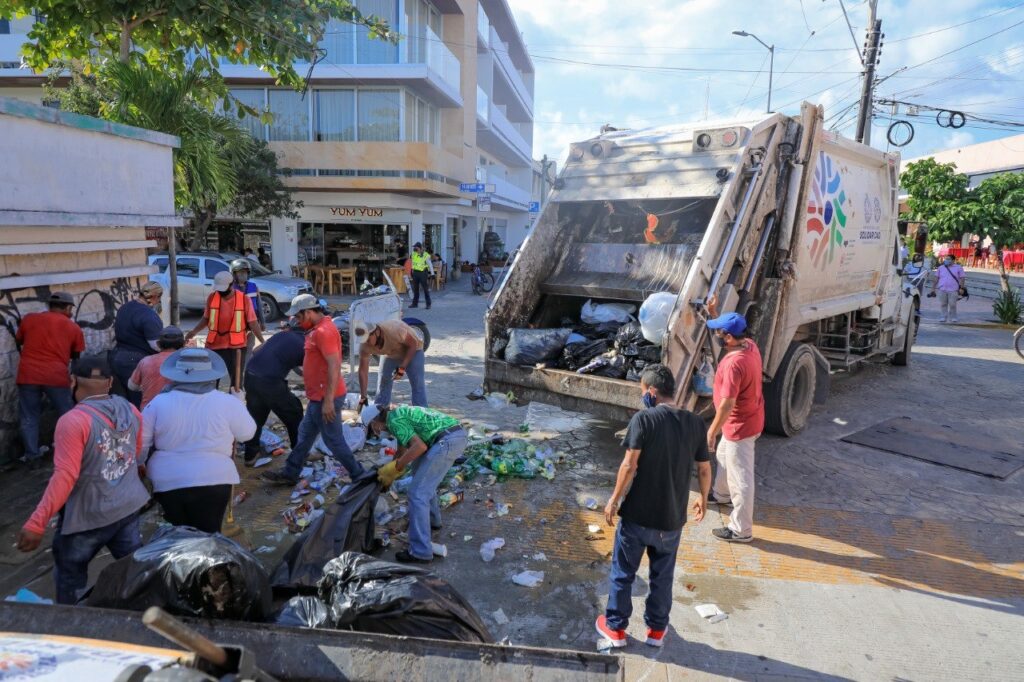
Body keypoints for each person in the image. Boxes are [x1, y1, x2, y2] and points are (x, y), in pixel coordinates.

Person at [16, 355, 149, 605]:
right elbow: (137, 452)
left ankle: (72, 620)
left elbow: (65, 476)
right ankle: (144, 614)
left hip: (87, 517)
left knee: (70, 578)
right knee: (136, 572)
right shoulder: (130, 410)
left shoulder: (73, 421)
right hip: (128, 507)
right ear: (110, 382)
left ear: (72, 381)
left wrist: (36, 523)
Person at [594, 364, 710, 648]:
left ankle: (615, 629)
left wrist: (613, 499)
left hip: (637, 517)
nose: (642, 395)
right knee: (662, 577)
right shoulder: (695, 423)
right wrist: (704, 497)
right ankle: (656, 631)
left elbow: (629, 465)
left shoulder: (644, 419)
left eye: (643, 391)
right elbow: (704, 468)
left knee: (623, 573)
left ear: (652, 392)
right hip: (671, 520)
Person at [141, 348, 257, 533]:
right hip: (215, 478)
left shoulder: (158, 402)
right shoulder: (227, 402)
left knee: (179, 535)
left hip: (168, 479)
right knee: (208, 535)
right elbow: (247, 434)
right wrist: (239, 403)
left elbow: (141, 443)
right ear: (210, 375)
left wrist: (140, 467)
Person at [262, 295, 365, 485]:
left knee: (333, 440)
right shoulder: (318, 329)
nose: (297, 321)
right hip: (319, 397)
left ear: (308, 312)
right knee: (305, 434)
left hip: (325, 397)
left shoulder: (323, 332)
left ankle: (359, 475)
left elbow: (334, 365)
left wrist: (328, 401)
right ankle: (290, 472)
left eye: (299, 317)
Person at [367, 404, 466, 564]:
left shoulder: (393, 421)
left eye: (372, 428)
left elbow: (419, 447)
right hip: (453, 435)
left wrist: (396, 468)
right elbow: (402, 451)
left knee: (417, 494)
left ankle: (421, 551)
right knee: (421, 478)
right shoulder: (396, 415)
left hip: (445, 441)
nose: (375, 432)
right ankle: (433, 521)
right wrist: (391, 474)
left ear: (375, 422)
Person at [704, 299, 764, 543]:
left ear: (728, 338)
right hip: (748, 418)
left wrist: (712, 430)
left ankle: (741, 530)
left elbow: (727, 404)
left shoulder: (734, 364)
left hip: (740, 426)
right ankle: (721, 495)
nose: (717, 335)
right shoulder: (750, 345)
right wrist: (713, 313)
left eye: (719, 332)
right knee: (723, 456)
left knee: (741, 479)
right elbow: (726, 331)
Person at [15, 292, 85, 464]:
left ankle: (32, 457)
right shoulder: (73, 328)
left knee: (29, 416)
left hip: (28, 375)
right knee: (68, 415)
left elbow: (20, 340)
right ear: (67, 307)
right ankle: (72, 451)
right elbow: (76, 356)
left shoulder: (29, 319)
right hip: (56, 376)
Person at [241, 318, 306, 466]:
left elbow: (256, 351)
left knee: (256, 417)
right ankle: (298, 455)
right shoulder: (305, 343)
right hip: (269, 381)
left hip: (250, 374)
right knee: (294, 412)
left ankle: (250, 455)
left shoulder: (281, 335)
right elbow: (309, 370)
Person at [185, 270, 264, 389]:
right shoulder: (212, 297)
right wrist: (193, 332)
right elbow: (206, 318)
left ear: (232, 285)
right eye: (219, 290)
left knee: (236, 382)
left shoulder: (244, 299)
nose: (221, 293)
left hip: (236, 347)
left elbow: (253, 322)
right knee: (210, 381)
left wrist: (262, 342)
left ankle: (235, 398)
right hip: (214, 344)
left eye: (224, 290)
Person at [111, 281, 164, 407]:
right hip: (136, 362)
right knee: (140, 402)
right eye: (159, 298)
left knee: (125, 403)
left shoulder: (125, 308)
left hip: (117, 358)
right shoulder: (148, 315)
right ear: (155, 296)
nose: (158, 301)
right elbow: (156, 345)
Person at [354, 320, 427, 410]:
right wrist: (363, 397)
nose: (366, 343)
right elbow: (363, 371)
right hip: (391, 353)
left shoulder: (394, 329)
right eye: (363, 340)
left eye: (368, 339)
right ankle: (380, 410)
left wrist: (402, 368)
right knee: (384, 379)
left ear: (376, 332)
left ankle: (422, 411)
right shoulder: (364, 347)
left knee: (417, 382)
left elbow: (413, 344)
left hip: (413, 350)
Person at [127, 326, 185, 410]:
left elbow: (132, 386)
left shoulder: (145, 361)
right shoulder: (187, 363)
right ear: (184, 344)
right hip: (178, 411)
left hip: (148, 411)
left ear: (158, 344)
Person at [932, 254, 966, 323]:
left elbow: (962, 278)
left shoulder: (958, 267)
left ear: (953, 260)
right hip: (942, 289)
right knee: (943, 304)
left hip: (953, 289)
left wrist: (961, 288)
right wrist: (933, 288)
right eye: (946, 259)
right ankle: (943, 316)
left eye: (948, 259)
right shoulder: (941, 268)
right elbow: (936, 278)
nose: (946, 260)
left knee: (952, 304)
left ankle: (953, 317)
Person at [409, 242, 434, 310]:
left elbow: (430, 264)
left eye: (416, 247)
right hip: (415, 273)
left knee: (425, 289)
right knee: (415, 289)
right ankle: (415, 304)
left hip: (423, 273)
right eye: (414, 247)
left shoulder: (425, 255)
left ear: (420, 248)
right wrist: (411, 270)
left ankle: (428, 304)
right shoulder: (414, 254)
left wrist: (432, 274)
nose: (414, 248)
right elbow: (413, 263)